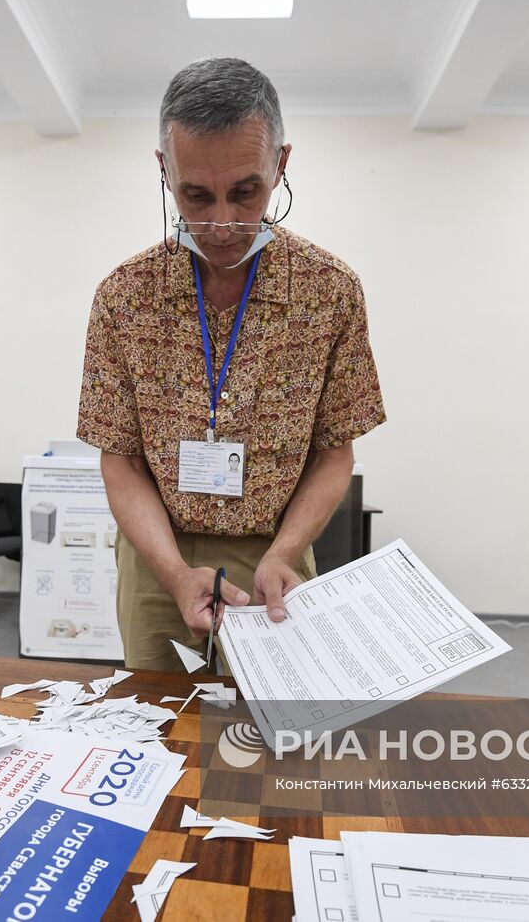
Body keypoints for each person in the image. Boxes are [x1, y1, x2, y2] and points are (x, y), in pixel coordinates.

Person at [76, 57, 386, 671]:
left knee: (268, 740)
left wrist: (287, 552)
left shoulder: (329, 291)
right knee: (159, 732)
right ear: (165, 172)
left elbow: (334, 453)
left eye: (246, 192)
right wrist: (170, 571)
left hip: (275, 554)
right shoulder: (125, 295)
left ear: (281, 164)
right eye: (196, 195)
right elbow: (122, 458)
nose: (222, 222)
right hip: (156, 558)